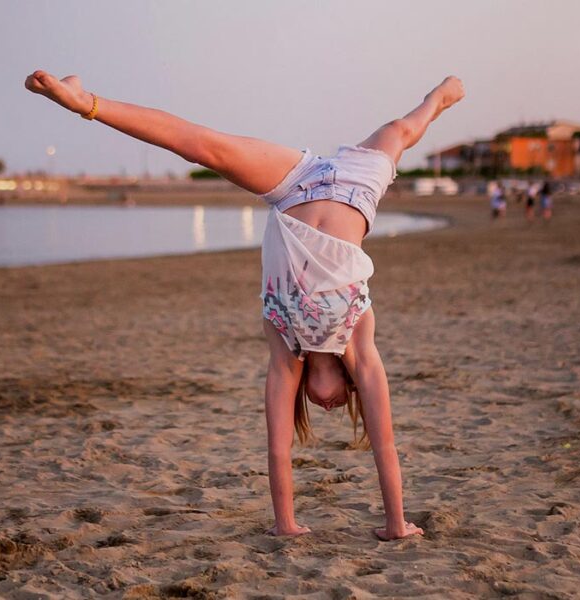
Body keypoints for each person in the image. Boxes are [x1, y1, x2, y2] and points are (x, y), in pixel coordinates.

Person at [25, 70, 465, 540]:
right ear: (349, 386)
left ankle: (82, 101)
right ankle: (440, 96)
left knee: (202, 146)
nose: (331, 408)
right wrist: (397, 525)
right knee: (403, 130)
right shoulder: (360, 340)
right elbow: (386, 441)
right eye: (342, 404)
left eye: (321, 410)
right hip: (358, 186)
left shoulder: (285, 348)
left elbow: (278, 448)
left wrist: (286, 525)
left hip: (294, 186)